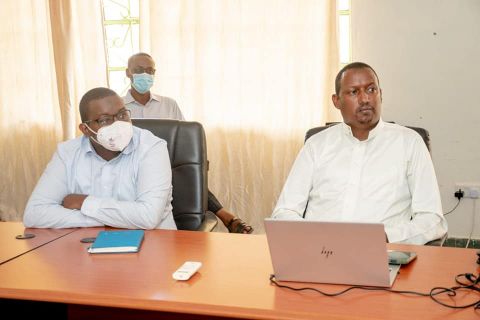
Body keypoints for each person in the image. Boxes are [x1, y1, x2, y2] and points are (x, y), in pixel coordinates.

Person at [272, 62, 447, 244]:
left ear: (381, 94)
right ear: (336, 101)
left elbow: (431, 220)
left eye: (371, 90)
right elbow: (285, 212)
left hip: (383, 255)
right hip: (319, 254)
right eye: (354, 92)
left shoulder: (409, 143)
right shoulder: (316, 145)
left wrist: (385, 237)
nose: (365, 99)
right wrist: (314, 236)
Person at [123, 52, 253, 234]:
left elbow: (185, 140)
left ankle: (226, 216)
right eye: (138, 70)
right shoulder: (119, 108)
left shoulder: (169, 104)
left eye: (149, 71)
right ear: (128, 73)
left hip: (167, 165)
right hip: (132, 168)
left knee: (188, 174)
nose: (145, 75)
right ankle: (226, 216)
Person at [23, 87, 176, 230]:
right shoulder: (67, 153)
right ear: (85, 129)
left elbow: (148, 217)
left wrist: (84, 202)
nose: (118, 124)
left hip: (154, 243)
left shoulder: (152, 147)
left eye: (122, 115)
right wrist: (113, 219)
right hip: (88, 244)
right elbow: (34, 214)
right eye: (104, 120)